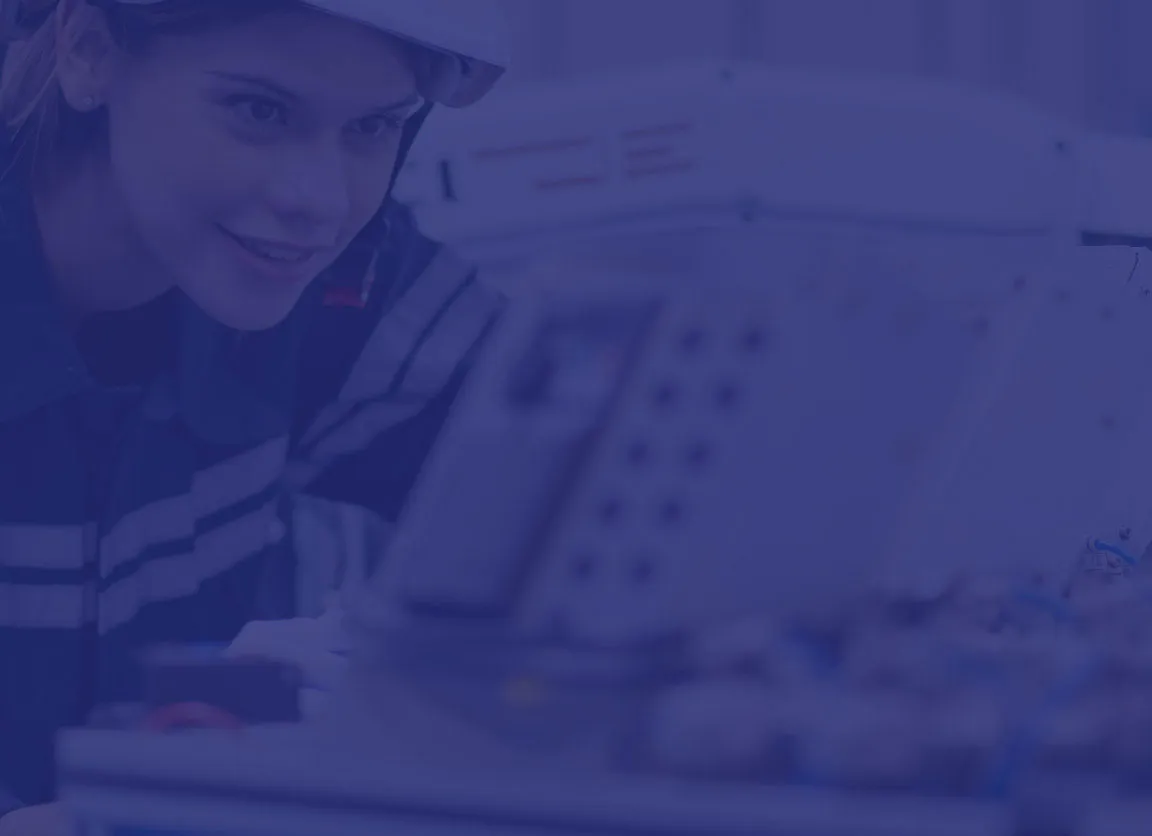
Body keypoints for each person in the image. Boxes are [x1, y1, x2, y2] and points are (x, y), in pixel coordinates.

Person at [0, 0, 509, 830]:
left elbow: (602, 481)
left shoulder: (328, 290)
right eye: (258, 110)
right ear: (88, 49)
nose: (320, 200)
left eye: (374, 127)